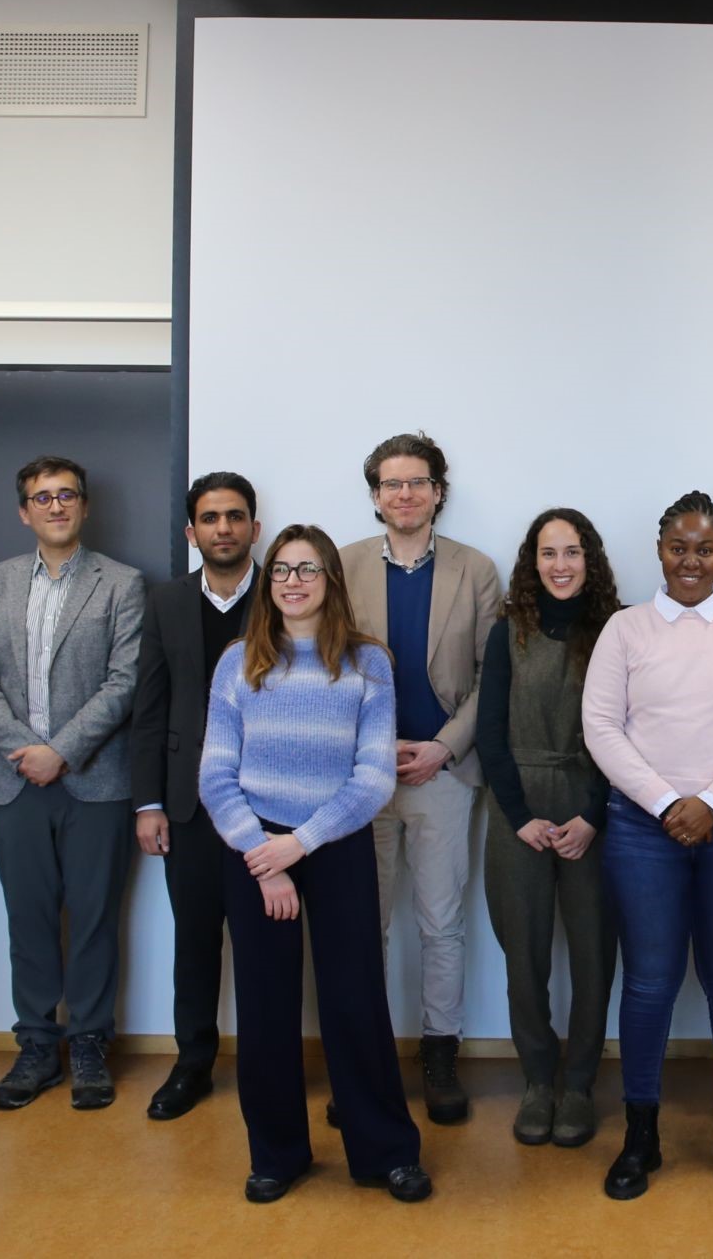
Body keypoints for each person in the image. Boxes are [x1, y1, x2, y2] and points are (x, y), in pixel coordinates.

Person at [199, 524, 430, 1204]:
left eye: (308, 568)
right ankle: (277, 1154)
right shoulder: (239, 661)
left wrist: (299, 844)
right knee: (266, 1008)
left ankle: (384, 1150)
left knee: (355, 999)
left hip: (334, 843)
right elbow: (217, 775)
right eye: (281, 570)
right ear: (269, 584)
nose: (293, 580)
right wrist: (263, 857)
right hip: (255, 850)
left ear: (331, 579)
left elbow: (373, 776)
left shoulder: (367, 663)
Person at [583, 490, 713, 1204]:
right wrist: (671, 803)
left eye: (706, 548)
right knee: (648, 980)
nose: (692, 561)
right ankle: (641, 1134)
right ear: (660, 548)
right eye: (680, 546)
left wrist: (711, 803)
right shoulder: (625, 630)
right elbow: (602, 728)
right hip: (645, 827)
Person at [0, 455, 146, 1112]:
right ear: (24, 511)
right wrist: (25, 749)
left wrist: (61, 751)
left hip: (95, 778)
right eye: (43, 497)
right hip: (11, 779)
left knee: (95, 917)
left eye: (68, 495)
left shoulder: (122, 584)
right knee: (29, 916)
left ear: (85, 506)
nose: (56, 506)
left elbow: (125, 681)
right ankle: (37, 1043)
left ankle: (90, 1041)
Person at [339, 431, 501, 1124]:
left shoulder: (476, 568)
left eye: (417, 481)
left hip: (443, 770)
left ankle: (440, 1054)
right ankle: (365, 1062)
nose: (404, 493)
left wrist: (440, 746)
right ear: (375, 495)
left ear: (438, 490)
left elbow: (493, 677)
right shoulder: (340, 565)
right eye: (391, 483)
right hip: (360, 775)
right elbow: (324, 666)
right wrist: (374, 748)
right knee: (360, 926)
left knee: (442, 923)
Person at [475, 508, 621, 1148]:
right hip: (521, 807)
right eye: (548, 553)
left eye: (572, 552)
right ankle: (538, 1079)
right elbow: (489, 733)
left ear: (590, 559)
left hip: (596, 801)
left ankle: (581, 1081)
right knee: (524, 954)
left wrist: (594, 813)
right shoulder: (508, 631)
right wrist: (519, 817)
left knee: (593, 954)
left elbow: (632, 732)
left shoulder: (617, 631)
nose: (560, 565)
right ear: (532, 563)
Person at [130, 471, 261, 1121]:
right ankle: (193, 1061)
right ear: (192, 531)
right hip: (187, 806)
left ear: (254, 528)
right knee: (196, 940)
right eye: (210, 518)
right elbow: (149, 708)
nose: (224, 528)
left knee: (270, 940)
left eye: (235, 516)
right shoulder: (166, 602)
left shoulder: (288, 593)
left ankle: (270, 1062)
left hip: (269, 805)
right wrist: (147, 801)